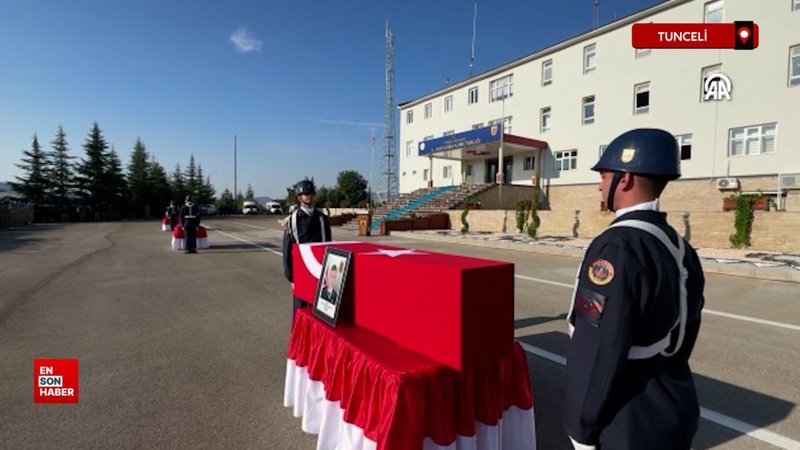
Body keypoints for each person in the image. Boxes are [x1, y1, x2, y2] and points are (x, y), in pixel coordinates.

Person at [564, 128, 705, 450]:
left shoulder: (618, 246)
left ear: (624, 179)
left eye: (603, 175)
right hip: (671, 402)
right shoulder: (677, 244)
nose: (599, 185)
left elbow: (599, 344)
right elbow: (686, 330)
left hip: (627, 418)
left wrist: (581, 427)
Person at [283, 179, 332, 315]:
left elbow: (328, 243)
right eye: (306, 194)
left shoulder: (322, 218)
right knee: (301, 312)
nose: (309, 196)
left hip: (319, 272)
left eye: (311, 193)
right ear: (299, 197)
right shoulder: (292, 221)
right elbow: (287, 251)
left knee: (319, 313)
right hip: (301, 273)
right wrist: (291, 277)